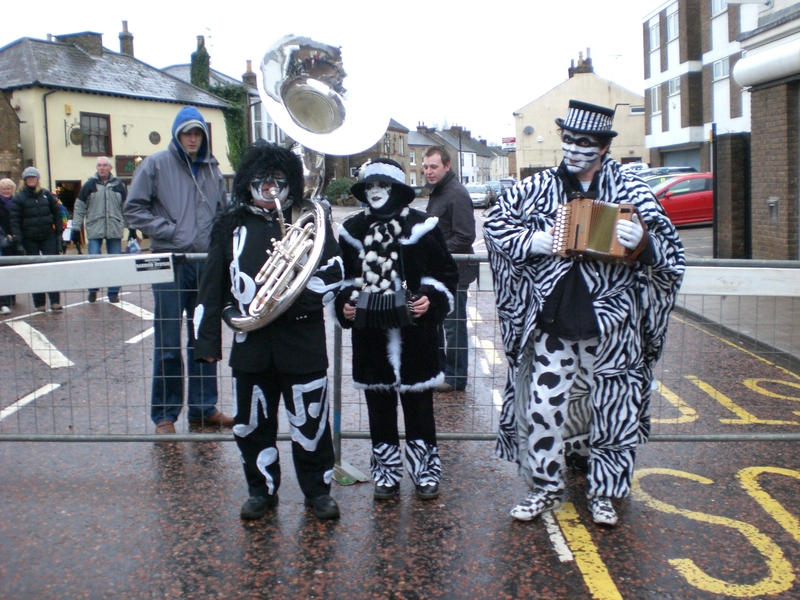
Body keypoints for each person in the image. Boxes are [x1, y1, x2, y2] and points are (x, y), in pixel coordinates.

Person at [483, 100, 685, 526]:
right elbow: (496, 225)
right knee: (543, 406)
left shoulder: (631, 191)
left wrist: (643, 245)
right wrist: (533, 241)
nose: (574, 150)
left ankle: (605, 494)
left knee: (612, 411)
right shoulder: (536, 188)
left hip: (611, 329)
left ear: (604, 148)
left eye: (585, 143)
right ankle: (544, 488)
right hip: (553, 326)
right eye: (569, 140)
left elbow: (672, 254)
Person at [194, 142, 344, 520]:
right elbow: (212, 287)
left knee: (310, 425)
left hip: (302, 340)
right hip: (252, 344)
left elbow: (336, 271)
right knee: (250, 425)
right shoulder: (230, 225)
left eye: (278, 179)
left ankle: (317, 492)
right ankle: (261, 490)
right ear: (247, 182)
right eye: (260, 180)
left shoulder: (310, 221)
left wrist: (289, 299)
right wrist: (208, 341)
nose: (268, 187)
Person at [335, 158, 458, 501]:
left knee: (419, 408)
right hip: (370, 336)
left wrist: (431, 299)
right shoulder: (351, 230)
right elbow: (341, 280)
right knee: (379, 408)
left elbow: (447, 275)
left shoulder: (422, 226)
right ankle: (386, 474)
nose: (375, 193)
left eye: (382, 186)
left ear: (397, 191)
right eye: (370, 187)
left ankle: (425, 473)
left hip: (416, 336)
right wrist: (344, 302)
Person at [124, 106, 231, 434]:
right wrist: (170, 230)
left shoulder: (214, 170)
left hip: (204, 266)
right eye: (187, 132)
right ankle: (165, 414)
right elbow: (133, 209)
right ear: (177, 134)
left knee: (202, 340)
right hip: (170, 264)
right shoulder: (156, 165)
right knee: (168, 342)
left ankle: (202, 408)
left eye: (198, 133)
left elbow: (223, 213)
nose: (193, 138)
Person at [423, 146, 477, 393]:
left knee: (453, 326)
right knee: (436, 322)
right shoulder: (439, 192)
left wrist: (435, 251)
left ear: (447, 166)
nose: (428, 172)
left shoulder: (456, 194)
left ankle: (455, 377)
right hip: (440, 272)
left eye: (433, 166)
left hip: (455, 272)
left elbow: (465, 237)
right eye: (425, 167)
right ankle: (442, 371)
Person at [72, 157, 128, 303]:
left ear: (110, 167)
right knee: (94, 260)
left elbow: (126, 208)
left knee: (115, 263)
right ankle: (93, 289)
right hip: (94, 227)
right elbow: (79, 208)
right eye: (99, 165)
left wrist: (132, 228)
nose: (102, 168)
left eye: (104, 165)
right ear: (96, 168)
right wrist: (76, 228)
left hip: (114, 228)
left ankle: (113, 292)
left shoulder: (119, 185)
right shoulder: (89, 185)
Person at [10, 167, 63, 312]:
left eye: (33, 177)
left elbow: (57, 214)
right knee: (35, 270)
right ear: (25, 180)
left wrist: (59, 234)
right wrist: (19, 242)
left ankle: (55, 301)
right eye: (28, 178)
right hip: (29, 238)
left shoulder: (47, 195)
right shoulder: (19, 198)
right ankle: (39, 303)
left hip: (48, 236)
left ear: (37, 179)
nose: (31, 179)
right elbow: (15, 221)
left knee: (51, 268)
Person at [0, 178, 17, 314]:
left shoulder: (16, 203)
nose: (6, 191)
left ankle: (12, 295)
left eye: (8, 188)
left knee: (13, 267)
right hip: (3, 238)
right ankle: (5, 297)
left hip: (14, 238)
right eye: (3, 188)